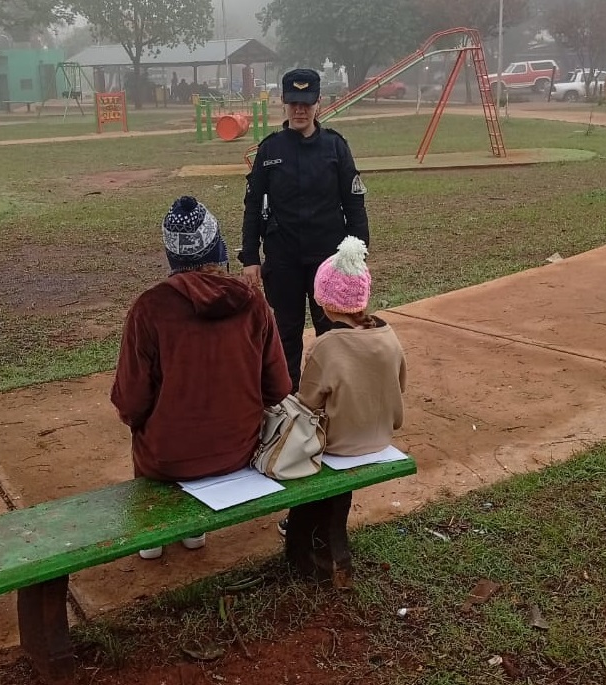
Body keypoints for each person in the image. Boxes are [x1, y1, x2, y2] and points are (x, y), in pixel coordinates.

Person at [111, 196, 292, 559]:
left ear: (172, 255)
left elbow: (130, 402)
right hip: (239, 449)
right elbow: (279, 388)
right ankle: (195, 532)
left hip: (167, 459)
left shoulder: (149, 308)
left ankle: (153, 537)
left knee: (151, 439)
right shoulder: (254, 302)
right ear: (217, 246)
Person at [240, 67, 369, 392]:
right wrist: (250, 257)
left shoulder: (335, 147)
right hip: (283, 258)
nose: (300, 110)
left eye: (307, 103)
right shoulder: (270, 150)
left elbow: (354, 204)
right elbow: (253, 205)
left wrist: (357, 255)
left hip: (329, 259)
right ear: (283, 102)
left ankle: (334, 398)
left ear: (318, 104)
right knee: (286, 333)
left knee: (333, 332)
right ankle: (289, 403)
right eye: (294, 102)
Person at [281, 236, 407, 537]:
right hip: (380, 435)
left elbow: (306, 403)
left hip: (338, 445)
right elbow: (400, 385)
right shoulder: (388, 336)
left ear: (324, 301)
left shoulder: (326, 346)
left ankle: (301, 523)